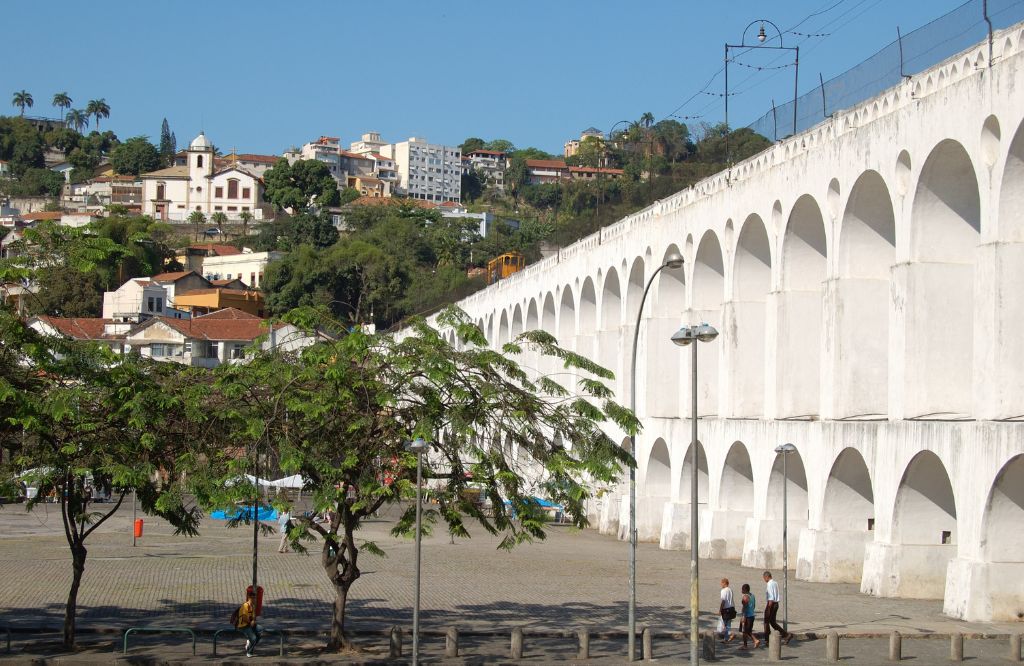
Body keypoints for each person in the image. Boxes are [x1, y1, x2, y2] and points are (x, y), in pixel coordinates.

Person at [762, 570, 792, 646]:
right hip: (776, 604)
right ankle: (786, 635)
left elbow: (771, 597)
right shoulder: (775, 583)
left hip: (771, 604)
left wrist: (768, 608)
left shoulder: (769, 584)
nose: (764, 580)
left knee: (766, 622)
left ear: (766, 577)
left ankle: (767, 640)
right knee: (772, 622)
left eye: (764, 578)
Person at [234, 589, 262, 657]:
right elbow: (244, 618)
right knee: (254, 638)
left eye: (254, 597)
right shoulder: (245, 606)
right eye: (252, 597)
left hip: (249, 625)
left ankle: (249, 643)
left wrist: (253, 621)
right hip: (243, 626)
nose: (253, 599)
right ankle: (249, 652)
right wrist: (250, 622)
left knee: (260, 629)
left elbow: (252, 617)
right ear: (249, 597)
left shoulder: (252, 606)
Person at [740, 583, 761, 649]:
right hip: (752, 615)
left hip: (747, 616)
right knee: (748, 631)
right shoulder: (752, 596)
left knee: (745, 631)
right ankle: (746, 645)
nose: (741, 591)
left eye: (742, 589)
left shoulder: (745, 597)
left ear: (744, 590)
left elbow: (745, 607)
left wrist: (743, 616)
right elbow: (754, 605)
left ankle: (754, 641)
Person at [719, 577, 736, 642]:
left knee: (725, 624)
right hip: (731, 608)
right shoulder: (730, 590)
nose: (721, 585)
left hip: (726, 609)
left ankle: (730, 635)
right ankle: (726, 638)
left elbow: (723, 601)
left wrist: (720, 610)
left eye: (721, 583)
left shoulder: (723, 590)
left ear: (724, 583)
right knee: (728, 624)